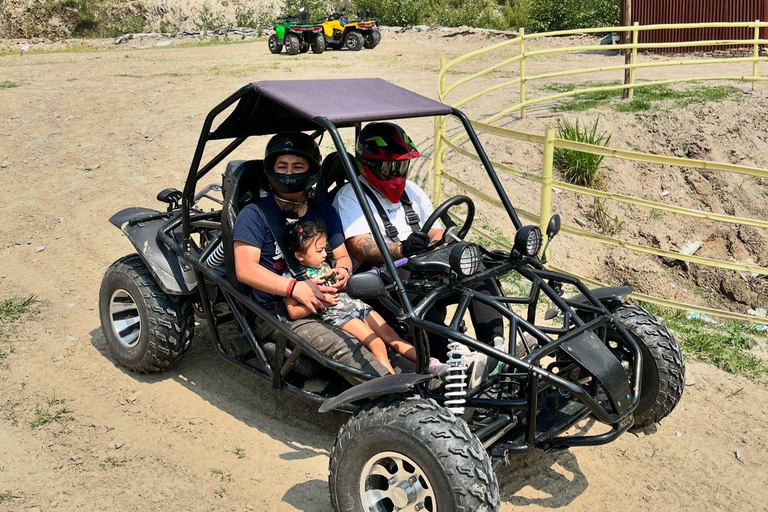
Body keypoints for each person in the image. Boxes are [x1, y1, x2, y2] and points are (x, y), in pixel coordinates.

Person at [232, 131, 413, 381]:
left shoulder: (323, 211)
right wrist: (294, 288)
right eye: (281, 166)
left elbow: (342, 257)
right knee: (352, 348)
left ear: (311, 170)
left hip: (333, 299)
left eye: (298, 166)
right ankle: (397, 402)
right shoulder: (254, 214)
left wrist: (344, 272)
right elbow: (245, 269)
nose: (289, 172)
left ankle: (434, 383)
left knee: (388, 335)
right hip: (283, 311)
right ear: (270, 169)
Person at [332, 122, 505, 363]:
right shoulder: (350, 196)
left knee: (473, 261)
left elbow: (434, 230)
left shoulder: (411, 190)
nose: (396, 173)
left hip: (421, 264)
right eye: (389, 167)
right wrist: (401, 249)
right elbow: (359, 247)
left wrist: (445, 245)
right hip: (382, 276)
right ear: (368, 165)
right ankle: (448, 355)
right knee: (404, 275)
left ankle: (495, 348)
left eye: (402, 166)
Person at [283, 220, 449, 376]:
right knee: (376, 343)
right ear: (299, 256)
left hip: (357, 306)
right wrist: (319, 301)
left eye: (325, 249)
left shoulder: (326, 266)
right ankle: (390, 380)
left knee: (391, 335)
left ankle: (430, 363)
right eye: (319, 251)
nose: (325, 254)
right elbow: (293, 311)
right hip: (340, 316)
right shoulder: (296, 279)